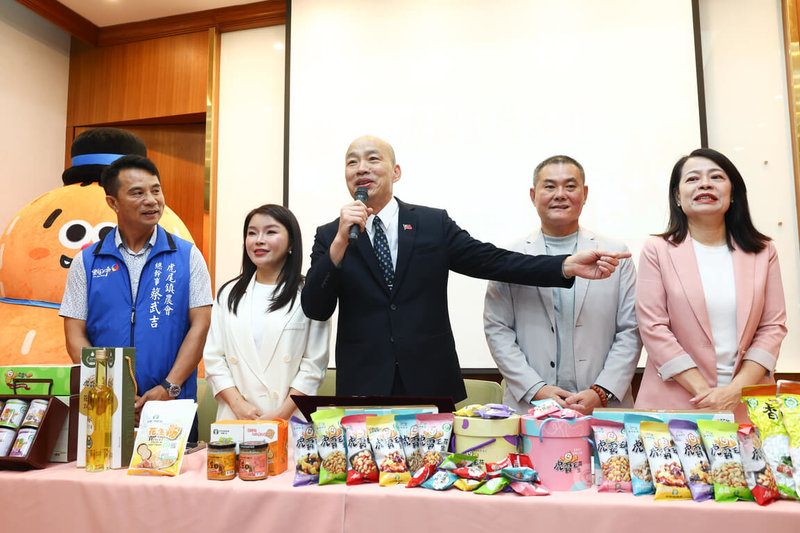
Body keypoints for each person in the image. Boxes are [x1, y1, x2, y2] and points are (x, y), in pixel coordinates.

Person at [301, 135, 630, 402]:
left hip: (429, 383)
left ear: (395, 171)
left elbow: (493, 261)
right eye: (352, 161)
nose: (362, 168)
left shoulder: (431, 224)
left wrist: (564, 265)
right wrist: (340, 245)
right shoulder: (331, 235)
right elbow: (316, 307)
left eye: (373, 159)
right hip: (363, 383)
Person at [60, 154, 212, 439]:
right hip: (107, 408)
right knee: (101, 483)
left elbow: (200, 326)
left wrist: (169, 387)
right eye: (137, 193)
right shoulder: (86, 261)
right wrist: (109, 389)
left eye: (156, 190)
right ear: (112, 202)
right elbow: (74, 334)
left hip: (172, 408)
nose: (152, 200)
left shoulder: (188, 256)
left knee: (171, 483)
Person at [635, 148, 786, 420]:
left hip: (745, 403)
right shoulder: (656, 250)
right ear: (678, 197)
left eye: (716, 177)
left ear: (733, 194)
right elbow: (653, 327)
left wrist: (735, 390)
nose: (705, 183)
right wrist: (707, 394)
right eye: (692, 179)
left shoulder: (764, 252)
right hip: (675, 403)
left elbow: (773, 327)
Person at [484, 155, 641, 414]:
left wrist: (600, 391)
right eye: (549, 186)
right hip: (530, 405)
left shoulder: (614, 253)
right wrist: (536, 388)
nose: (560, 194)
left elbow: (631, 329)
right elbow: (497, 329)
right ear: (533, 195)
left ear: (585, 193)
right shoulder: (510, 257)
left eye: (570, 186)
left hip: (602, 405)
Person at [203, 204, 330, 421]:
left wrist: (280, 414)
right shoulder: (228, 294)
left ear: (291, 243)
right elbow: (214, 358)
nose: (259, 240)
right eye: (252, 233)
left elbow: (313, 366)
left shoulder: (310, 293)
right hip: (237, 418)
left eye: (270, 232)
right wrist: (238, 404)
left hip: (289, 418)